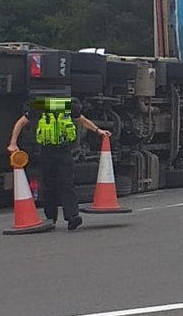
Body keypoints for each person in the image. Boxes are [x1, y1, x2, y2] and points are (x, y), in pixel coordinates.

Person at [7, 97, 110, 231]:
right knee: (48, 185)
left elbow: (82, 120)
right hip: (46, 150)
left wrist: (98, 131)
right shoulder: (40, 106)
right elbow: (21, 123)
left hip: (63, 150)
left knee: (66, 183)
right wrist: (13, 143)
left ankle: (72, 216)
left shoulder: (68, 106)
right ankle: (51, 218)